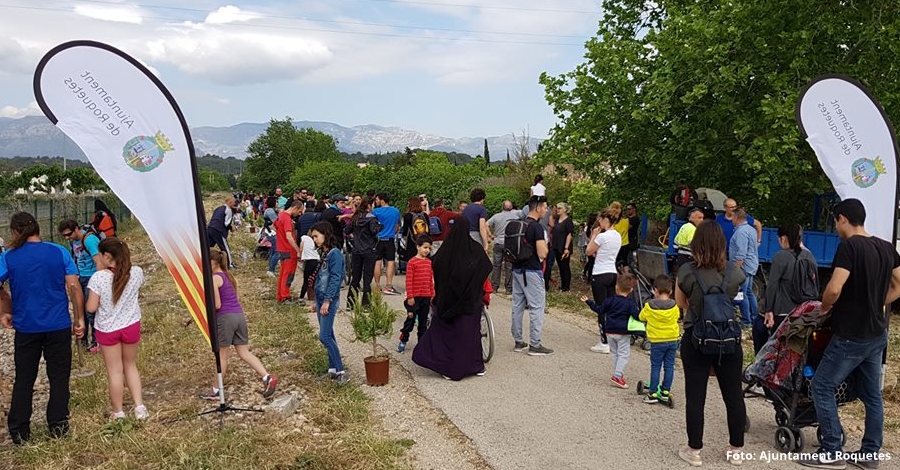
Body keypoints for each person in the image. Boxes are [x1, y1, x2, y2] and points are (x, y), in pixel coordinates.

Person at [799, 199, 900, 470]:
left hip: (850, 335)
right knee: (872, 396)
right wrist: (880, 301)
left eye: (835, 221)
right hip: (876, 334)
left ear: (842, 218)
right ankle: (869, 455)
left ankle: (831, 450)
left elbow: (834, 288)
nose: (836, 227)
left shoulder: (849, 247)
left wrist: (825, 307)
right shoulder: (886, 247)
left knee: (821, 385)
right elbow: (899, 283)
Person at [0, 212, 85, 444]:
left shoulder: (8, 257)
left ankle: (19, 431)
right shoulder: (59, 251)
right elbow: (74, 287)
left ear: (16, 232)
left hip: (26, 326)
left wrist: (6, 309)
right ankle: (58, 426)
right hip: (57, 324)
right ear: (37, 228)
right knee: (59, 377)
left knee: (25, 378)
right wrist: (80, 319)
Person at [675, 221, 746, 467]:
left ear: (696, 244)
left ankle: (694, 450)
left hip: (697, 336)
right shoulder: (735, 272)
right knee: (734, 395)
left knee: (696, 395)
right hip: (728, 338)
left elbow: (681, 302)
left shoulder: (686, 271)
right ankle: (736, 449)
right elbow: (736, 299)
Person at [412, 217, 492, 380]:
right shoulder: (475, 249)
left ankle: (449, 367)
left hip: (449, 301)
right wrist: (474, 284)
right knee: (470, 334)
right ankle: (476, 366)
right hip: (471, 302)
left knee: (449, 334)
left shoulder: (445, 251)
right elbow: (486, 266)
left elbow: (436, 267)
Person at [199, 249, 279, 400]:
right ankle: (267, 377)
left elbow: (216, 304)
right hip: (239, 316)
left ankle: (216, 390)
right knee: (244, 352)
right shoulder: (229, 276)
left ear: (212, 263)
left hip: (225, 318)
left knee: (222, 356)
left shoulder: (214, 278)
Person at [84, 237, 148, 420]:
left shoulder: (99, 278)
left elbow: (91, 308)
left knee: (115, 370)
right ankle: (139, 407)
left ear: (106, 256)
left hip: (107, 329)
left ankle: (119, 412)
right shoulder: (136, 272)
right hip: (131, 325)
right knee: (130, 365)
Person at [761, 223, 818, 353]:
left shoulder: (781, 256)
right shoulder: (809, 256)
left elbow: (772, 285)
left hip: (783, 312)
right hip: (805, 313)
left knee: (780, 350)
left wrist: (768, 310)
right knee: (799, 350)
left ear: (783, 238)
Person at [510, 195, 554, 356]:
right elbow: (542, 252)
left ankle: (518, 341)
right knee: (537, 306)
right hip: (532, 271)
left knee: (517, 305)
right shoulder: (536, 228)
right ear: (537, 208)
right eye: (545, 207)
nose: (547, 210)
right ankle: (535, 344)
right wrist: (546, 250)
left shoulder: (519, 224)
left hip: (517, 269)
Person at [581, 273, 638, 388]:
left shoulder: (609, 301)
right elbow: (637, 316)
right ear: (631, 290)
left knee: (616, 353)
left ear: (616, 287)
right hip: (623, 333)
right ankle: (617, 375)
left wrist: (589, 302)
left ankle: (618, 373)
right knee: (624, 355)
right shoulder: (630, 304)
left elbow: (599, 310)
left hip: (610, 332)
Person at [310, 221, 349, 384]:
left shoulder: (335, 254)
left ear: (326, 235)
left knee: (324, 336)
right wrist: (317, 301)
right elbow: (321, 278)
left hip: (329, 300)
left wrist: (327, 301)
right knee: (329, 333)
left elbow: (335, 279)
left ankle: (340, 370)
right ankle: (332, 369)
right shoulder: (325, 254)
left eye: (316, 236)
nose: (314, 240)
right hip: (321, 299)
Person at [59, 219, 103, 353]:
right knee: (80, 310)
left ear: (77, 229)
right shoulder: (72, 242)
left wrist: (98, 282)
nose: (67, 237)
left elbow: (99, 262)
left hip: (92, 277)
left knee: (91, 311)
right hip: (81, 277)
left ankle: (97, 341)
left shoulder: (90, 240)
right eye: (64, 236)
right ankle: (83, 341)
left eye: (69, 234)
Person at [639, 275, 681, 404]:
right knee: (669, 366)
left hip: (657, 341)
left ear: (655, 290)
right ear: (671, 291)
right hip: (672, 340)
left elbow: (641, 317)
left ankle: (652, 393)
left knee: (656, 366)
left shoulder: (649, 306)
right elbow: (677, 317)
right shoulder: (674, 306)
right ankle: (665, 391)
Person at [585, 210, 621, 353]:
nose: (599, 222)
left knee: (601, 308)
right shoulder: (617, 235)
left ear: (606, 219)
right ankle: (613, 338)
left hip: (600, 272)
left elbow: (589, 251)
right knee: (611, 307)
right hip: (612, 272)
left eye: (600, 219)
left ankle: (604, 342)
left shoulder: (602, 236)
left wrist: (594, 235)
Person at [398, 235, 434, 353]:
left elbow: (430, 279)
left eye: (429, 248)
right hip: (414, 297)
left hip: (426, 296)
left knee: (423, 323)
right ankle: (403, 339)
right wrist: (410, 296)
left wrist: (432, 293)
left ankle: (422, 345)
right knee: (410, 320)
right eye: (425, 247)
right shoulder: (412, 262)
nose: (427, 250)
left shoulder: (429, 262)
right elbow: (409, 280)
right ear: (418, 247)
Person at [345, 197, 381, 308]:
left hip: (356, 250)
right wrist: (380, 226)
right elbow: (374, 231)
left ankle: (350, 303)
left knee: (356, 276)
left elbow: (347, 231)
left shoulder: (355, 217)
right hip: (369, 249)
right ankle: (366, 304)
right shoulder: (372, 218)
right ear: (369, 206)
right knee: (367, 277)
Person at [728, 208, 759, 327]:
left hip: (743, 267)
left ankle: (746, 321)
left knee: (742, 293)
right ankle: (754, 317)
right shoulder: (751, 229)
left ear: (736, 218)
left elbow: (741, 252)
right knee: (749, 292)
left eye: (732, 217)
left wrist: (735, 269)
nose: (731, 220)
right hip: (751, 265)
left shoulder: (740, 232)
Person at [274, 202, 304, 304]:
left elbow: (275, 226)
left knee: (283, 274)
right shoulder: (287, 218)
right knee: (288, 274)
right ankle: (285, 297)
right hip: (289, 250)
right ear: (295, 208)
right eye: (299, 211)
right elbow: (289, 236)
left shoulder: (281, 215)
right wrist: (297, 250)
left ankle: (280, 295)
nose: (299, 214)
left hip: (281, 248)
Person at [487, 200, 519, 294]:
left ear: (502, 207)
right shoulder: (515, 217)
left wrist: (490, 235)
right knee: (509, 266)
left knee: (497, 265)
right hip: (510, 243)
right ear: (511, 207)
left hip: (498, 242)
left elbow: (486, 224)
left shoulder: (496, 216)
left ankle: (494, 286)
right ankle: (508, 288)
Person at [372, 193, 402, 295]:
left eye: (377, 200)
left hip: (378, 239)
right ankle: (389, 285)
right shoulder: (395, 211)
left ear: (382, 200)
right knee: (390, 262)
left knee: (377, 262)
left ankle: (377, 285)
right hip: (390, 238)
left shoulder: (375, 212)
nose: (376, 201)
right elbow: (398, 225)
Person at [549, 202, 575, 292]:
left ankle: (566, 286)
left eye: (559, 208)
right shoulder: (557, 219)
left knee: (565, 266)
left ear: (565, 210)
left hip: (564, 247)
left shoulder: (568, 221)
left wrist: (566, 248)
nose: (557, 210)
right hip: (556, 246)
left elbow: (569, 234)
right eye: (557, 208)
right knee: (560, 266)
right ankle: (563, 284)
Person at [207, 196, 238, 268]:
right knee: (224, 247)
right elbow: (226, 223)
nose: (234, 204)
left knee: (208, 246)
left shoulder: (218, 208)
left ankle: (203, 260)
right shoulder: (228, 210)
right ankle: (229, 264)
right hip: (219, 230)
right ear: (230, 202)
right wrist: (231, 228)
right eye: (234, 202)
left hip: (210, 228)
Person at [298, 227, 319, 303]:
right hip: (316, 260)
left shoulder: (304, 237)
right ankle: (317, 297)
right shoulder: (313, 240)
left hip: (309, 261)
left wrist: (300, 255)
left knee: (306, 280)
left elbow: (301, 248)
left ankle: (301, 297)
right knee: (315, 279)